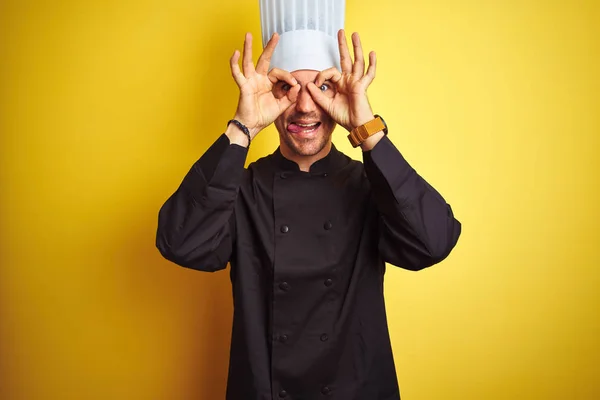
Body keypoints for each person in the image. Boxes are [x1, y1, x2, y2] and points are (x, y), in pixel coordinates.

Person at [156, 17, 461, 400]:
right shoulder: (242, 188)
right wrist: (242, 128)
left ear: (342, 95)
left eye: (322, 87)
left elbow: (434, 242)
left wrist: (367, 128)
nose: (304, 106)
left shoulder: (371, 186)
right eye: (287, 87)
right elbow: (179, 242)